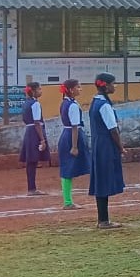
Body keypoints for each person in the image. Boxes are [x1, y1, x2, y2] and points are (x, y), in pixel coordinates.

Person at [88, 73, 124, 229]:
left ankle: (103, 218)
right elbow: (113, 129)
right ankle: (103, 220)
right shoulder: (104, 105)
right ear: (106, 85)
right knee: (104, 179)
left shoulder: (95, 101)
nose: (114, 86)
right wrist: (120, 147)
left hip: (98, 143)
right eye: (113, 84)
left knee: (101, 179)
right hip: (105, 145)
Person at [57, 80, 89, 210]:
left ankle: (67, 200)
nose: (80, 89)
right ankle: (68, 201)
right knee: (68, 168)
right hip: (72, 136)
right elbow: (75, 126)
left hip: (66, 134)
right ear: (70, 90)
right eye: (78, 87)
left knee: (67, 168)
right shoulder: (72, 105)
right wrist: (75, 146)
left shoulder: (65, 103)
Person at [18, 82, 49, 196]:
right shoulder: (35, 104)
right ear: (34, 91)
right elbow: (37, 122)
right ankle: (32, 188)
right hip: (35, 132)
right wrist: (42, 139)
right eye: (39, 89)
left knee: (31, 161)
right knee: (32, 160)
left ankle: (31, 187)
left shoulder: (26, 103)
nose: (41, 91)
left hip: (29, 131)